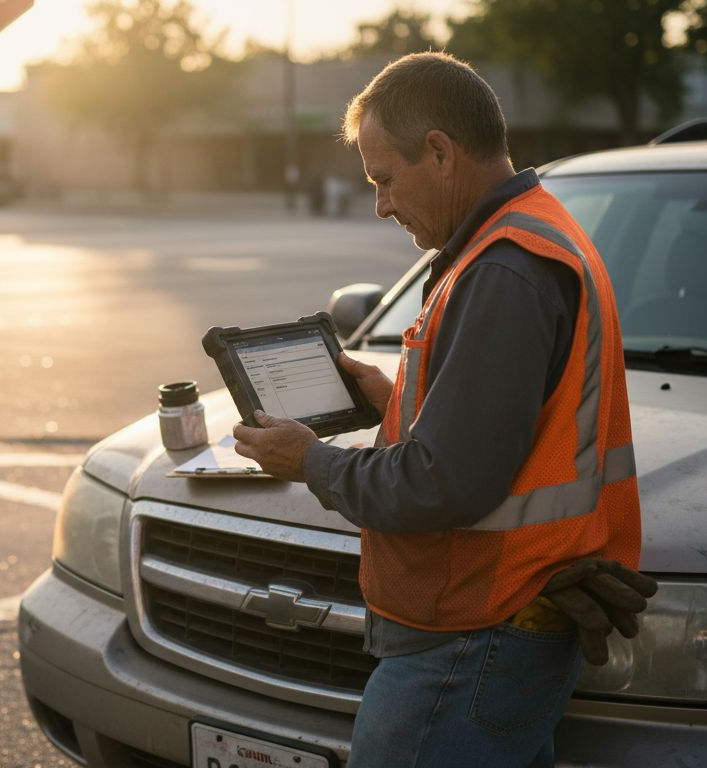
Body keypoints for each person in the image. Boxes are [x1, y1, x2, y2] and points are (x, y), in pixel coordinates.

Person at [232, 52, 650, 768]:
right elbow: (510, 433)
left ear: (439, 152)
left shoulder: (502, 269)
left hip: (473, 634)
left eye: (384, 180)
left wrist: (312, 462)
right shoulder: (524, 235)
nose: (382, 206)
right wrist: (391, 399)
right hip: (505, 621)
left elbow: (443, 482)